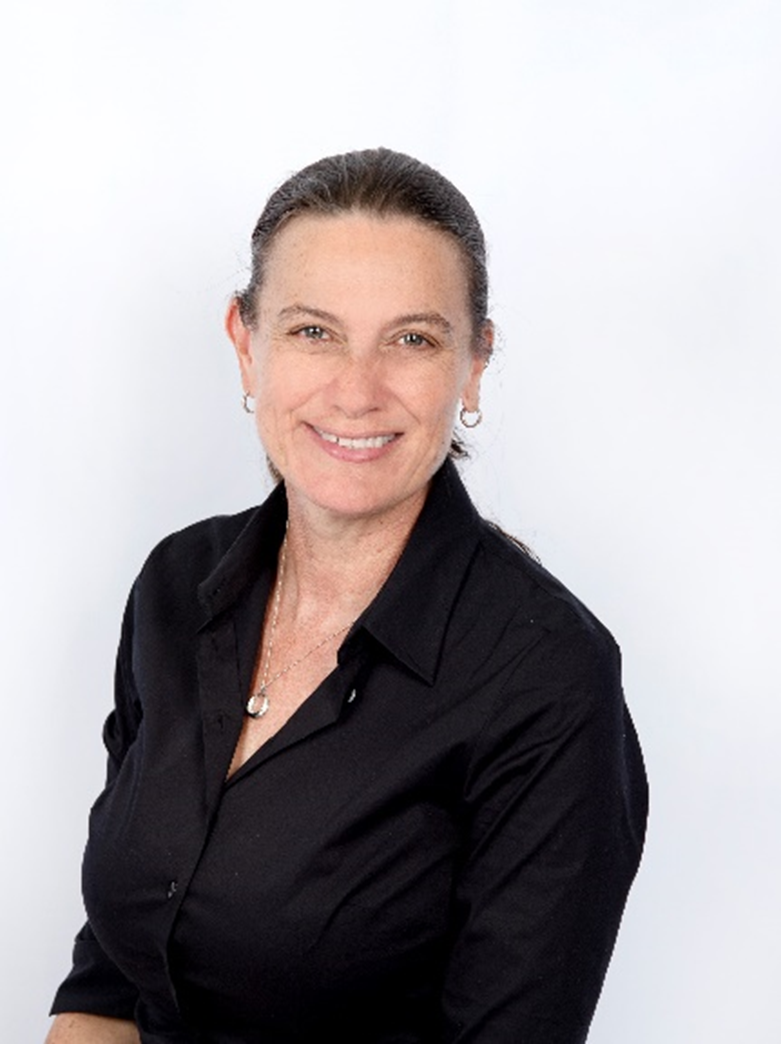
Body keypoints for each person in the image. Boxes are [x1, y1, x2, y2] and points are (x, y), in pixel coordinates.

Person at [46, 148, 647, 1044]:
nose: (356, 392)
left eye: (412, 338)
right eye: (312, 332)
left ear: (474, 363)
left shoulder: (547, 677)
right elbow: (111, 970)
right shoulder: (174, 587)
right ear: (245, 344)